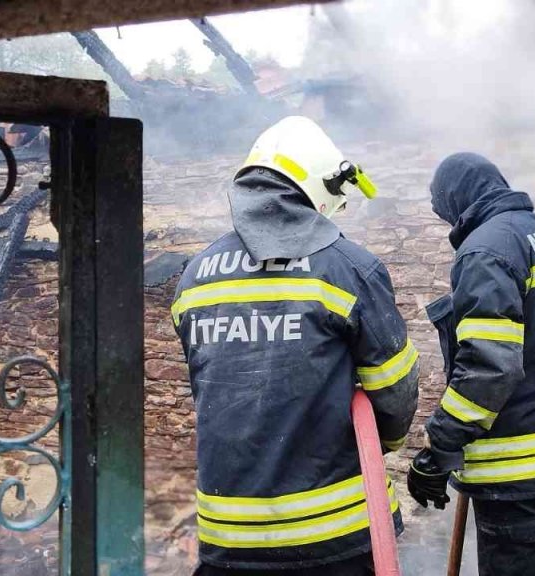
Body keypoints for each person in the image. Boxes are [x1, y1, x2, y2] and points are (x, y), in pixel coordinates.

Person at [173, 116, 419, 575]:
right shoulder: (348, 268)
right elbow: (395, 391)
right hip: (334, 538)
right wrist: (385, 443)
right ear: (319, 189)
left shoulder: (195, 275)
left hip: (228, 540)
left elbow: (212, 385)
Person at [407, 152, 535, 576]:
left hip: (514, 474)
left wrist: (440, 448)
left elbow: (490, 367)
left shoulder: (485, 251)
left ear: (456, 200)